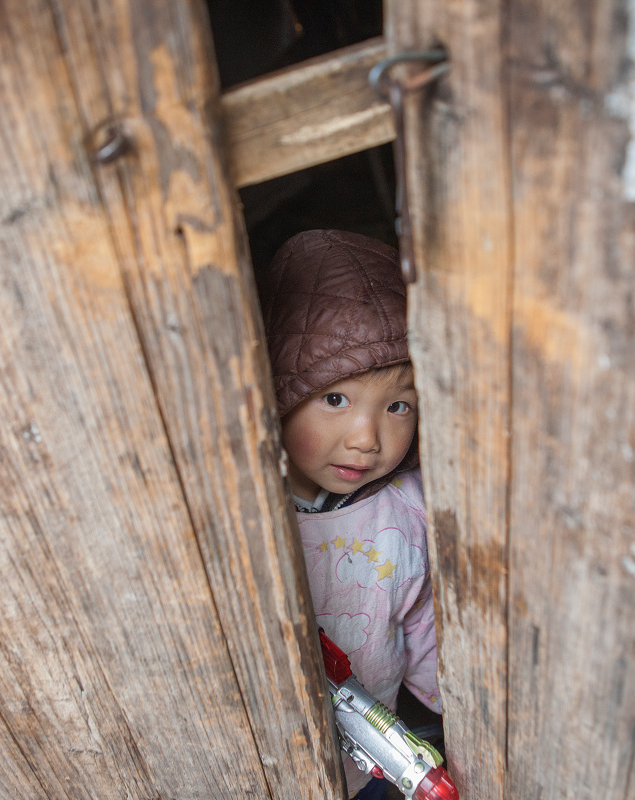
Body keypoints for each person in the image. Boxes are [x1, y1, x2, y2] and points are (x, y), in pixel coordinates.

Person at [259, 230, 441, 800]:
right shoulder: (248, 516)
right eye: (335, 399)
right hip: (266, 766)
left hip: (376, 763)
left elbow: (425, 624)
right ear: (278, 397)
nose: (366, 438)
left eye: (398, 405)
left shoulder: (406, 508)